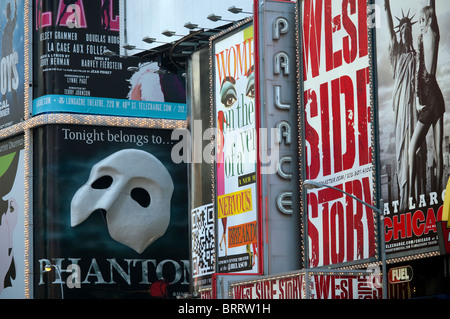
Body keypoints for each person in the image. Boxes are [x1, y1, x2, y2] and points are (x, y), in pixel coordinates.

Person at [384, 0, 419, 212]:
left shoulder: (416, 56)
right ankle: (405, 197)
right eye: (403, 29)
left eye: (409, 30)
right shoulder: (396, 56)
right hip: (401, 110)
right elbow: (390, 32)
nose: (406, 33)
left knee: (416, 151)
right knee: (402, 150)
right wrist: (386, 6)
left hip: (414, 107)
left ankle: (416, 196)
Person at [408, 1, 445, 199]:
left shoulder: (430, 34)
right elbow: (418, 75)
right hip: (435, 99)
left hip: (430, 102)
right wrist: (415, 99)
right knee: (437, 152)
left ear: (430, 20)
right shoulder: (426, 38)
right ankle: (437, 197)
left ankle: (412, 199)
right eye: (419, 20)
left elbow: (419, 75)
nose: (420, 23)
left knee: (412, 149)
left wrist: (417, 99)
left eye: (423, 20)